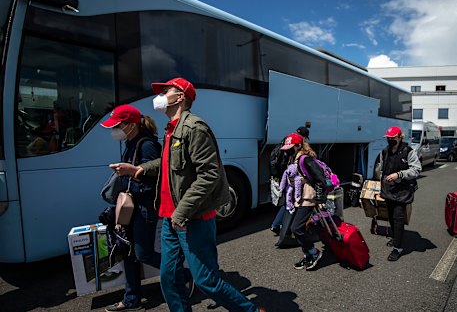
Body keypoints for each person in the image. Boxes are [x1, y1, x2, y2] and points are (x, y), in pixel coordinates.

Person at [110, 78, 263, 312]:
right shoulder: (171, 129)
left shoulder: (194, 128)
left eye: (166, 91)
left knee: (207, 281)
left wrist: (181, 213)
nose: (160, 96)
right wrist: (139, 169)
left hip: (192, 218)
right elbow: (167, 164)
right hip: (172, 218)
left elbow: (209, 175)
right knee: (169, 279)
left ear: (180, 97)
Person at [101, 105, 163, 312]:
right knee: (128, 253)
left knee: (143, 254)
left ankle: (183, 274)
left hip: (144, 206)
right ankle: (131, 300)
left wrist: (130, 172)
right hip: (132, 206)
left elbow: (156, 176)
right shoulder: (131, 142)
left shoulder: (146, 145)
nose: (114, 130)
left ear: (131, 124)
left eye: (118, 125)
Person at [280, 132, 326, 270]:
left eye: (290, 147)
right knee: (296, 229)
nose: (287, 150)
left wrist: (320, 199)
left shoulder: (305, 159)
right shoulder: (294, 158)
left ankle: (314, 252)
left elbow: (320, 178)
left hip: (308, 197)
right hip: (298, 197)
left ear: (299, 146)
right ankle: (307, 255)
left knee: (297, 228)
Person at [379, 126, 421, 262]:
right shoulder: (385, 151)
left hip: (402, 191)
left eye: (392, 138)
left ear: (399, 137)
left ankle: (398, 248)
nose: (390, 140)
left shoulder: (408, 151)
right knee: (390, 216)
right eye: (388, 138)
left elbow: (416, 170)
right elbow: (382, 169)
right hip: (388, 190)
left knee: (398, 218)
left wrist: (399, 174)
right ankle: (395, 238)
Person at [269, 126, 310, 235]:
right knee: (289, 202)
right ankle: (278, 225)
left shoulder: (286, 140)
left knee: (287, 201)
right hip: (288, 176)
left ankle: (277, 224)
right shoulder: (295, 145)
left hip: (282, 175)